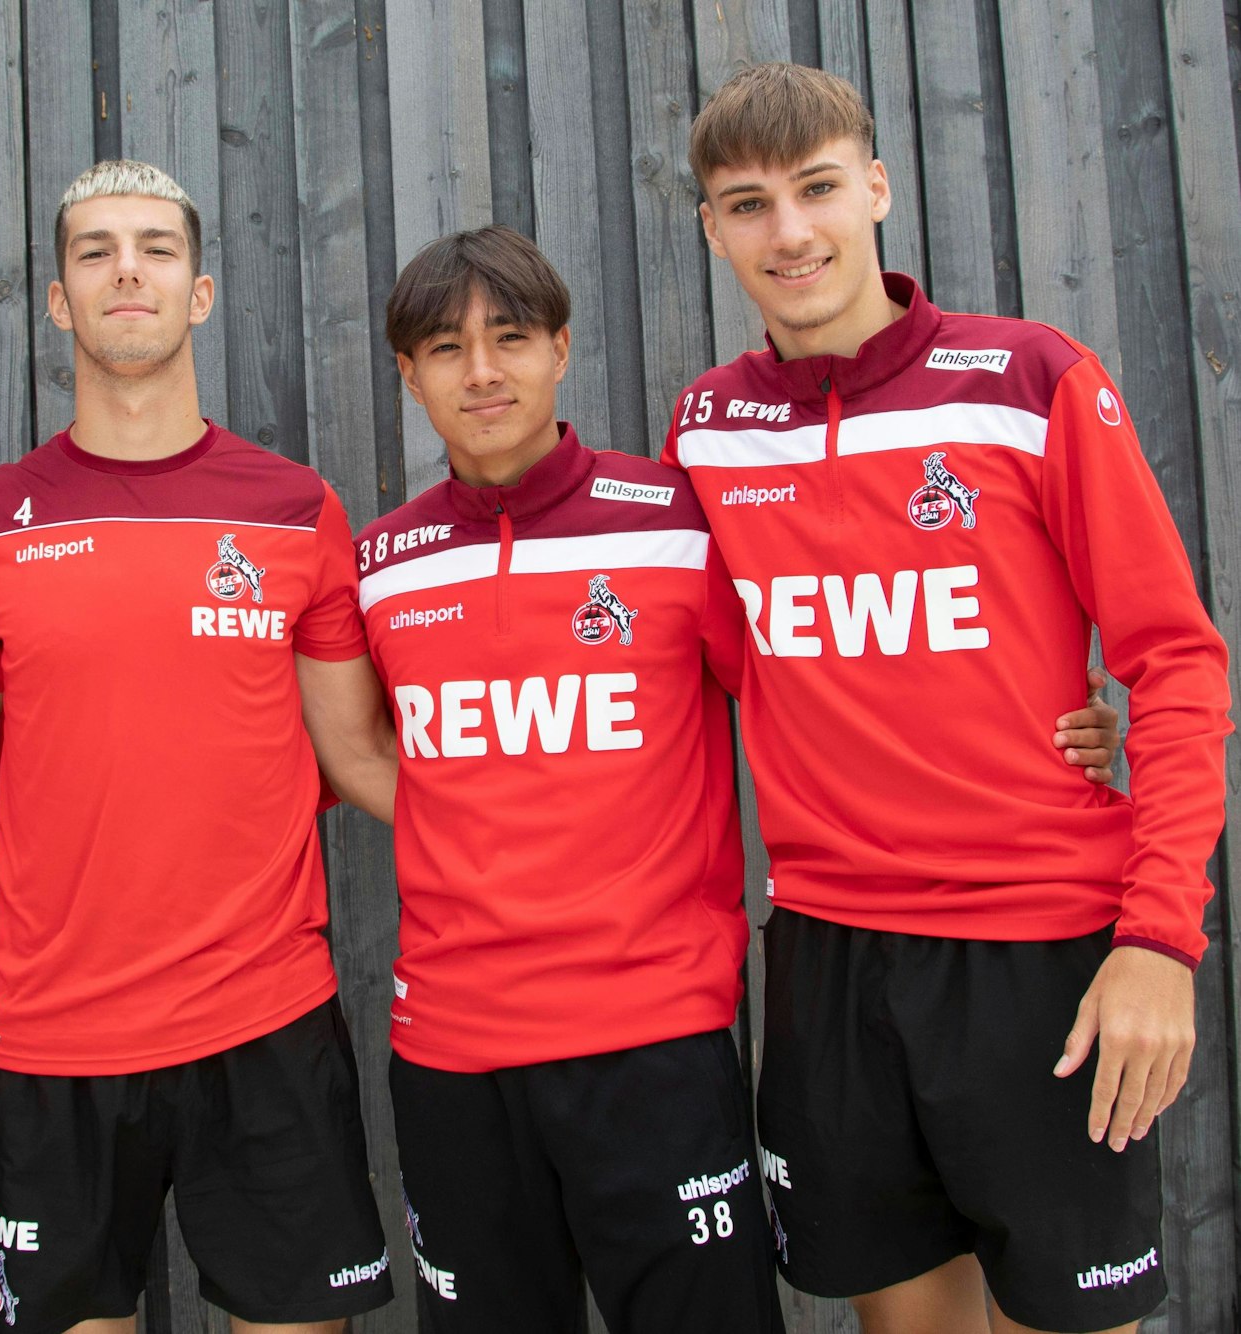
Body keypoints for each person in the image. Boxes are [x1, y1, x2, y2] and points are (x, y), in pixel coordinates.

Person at [358, 225, 1120, 1333]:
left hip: (658, 1033)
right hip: (454, 1046)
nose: (481, 371)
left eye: (510, 338)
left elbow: (825, 670)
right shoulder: (380, 564)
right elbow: (355, 749)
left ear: (561, 349)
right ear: (406, 372)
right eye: (444, 347)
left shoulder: (675, 526)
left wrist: (1042, 714)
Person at [665, 62, 1233, 1334]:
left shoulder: (1028, 379)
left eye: (817, 188)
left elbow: (1178, 660)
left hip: (1039, 947)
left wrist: (1159, 939)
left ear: (876, 187)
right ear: (711, 228)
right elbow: (727, 663)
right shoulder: (706, 428)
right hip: (829, 952)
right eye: (748, 204)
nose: (790, 231)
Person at [0, 160, 394, 1334]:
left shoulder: (294, 508)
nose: (126, 269)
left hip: (266, 1018)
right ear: (59, 300)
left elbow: (356, 756)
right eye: (95, 251)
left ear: (200, 293)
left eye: (156, 249)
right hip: (57, 1032)